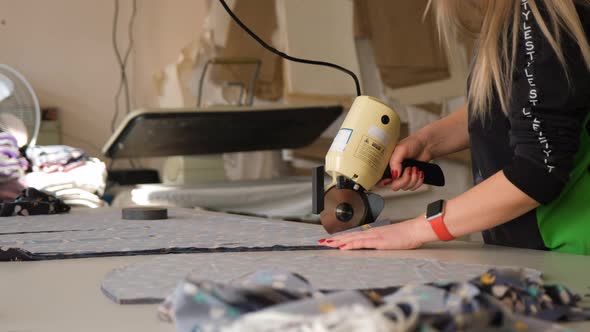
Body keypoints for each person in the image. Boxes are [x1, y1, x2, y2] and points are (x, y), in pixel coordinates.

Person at [320, 0, 590, 255]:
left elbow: (538, 171)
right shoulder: (513, 16)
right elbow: (508, 106)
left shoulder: (543, 20)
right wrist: (427, 142)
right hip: (529, 247)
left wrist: (416, 229)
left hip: (570, 251)